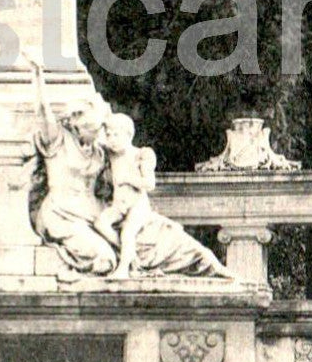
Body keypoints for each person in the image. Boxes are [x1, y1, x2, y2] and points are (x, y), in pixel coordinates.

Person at [98, 111, 236, 281]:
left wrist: (128, 179)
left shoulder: (140, 155)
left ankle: (123, 268)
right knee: (100, 223)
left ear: (128, 135)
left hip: (137, 206)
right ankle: (131, 255)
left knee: (128, 232)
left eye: (116, 135)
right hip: (118, 206)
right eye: (109, 135)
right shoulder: (111, 155)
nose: (111, 139)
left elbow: (149, 183)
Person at [26, 55, 117, 277]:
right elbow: (42, 111)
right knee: (105, 259)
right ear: (78, 125)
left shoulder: (98, 152)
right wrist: (38, 76)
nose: (99, 134)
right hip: (61, 216)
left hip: (92, 215)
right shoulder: (58, 140)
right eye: (94, 130)